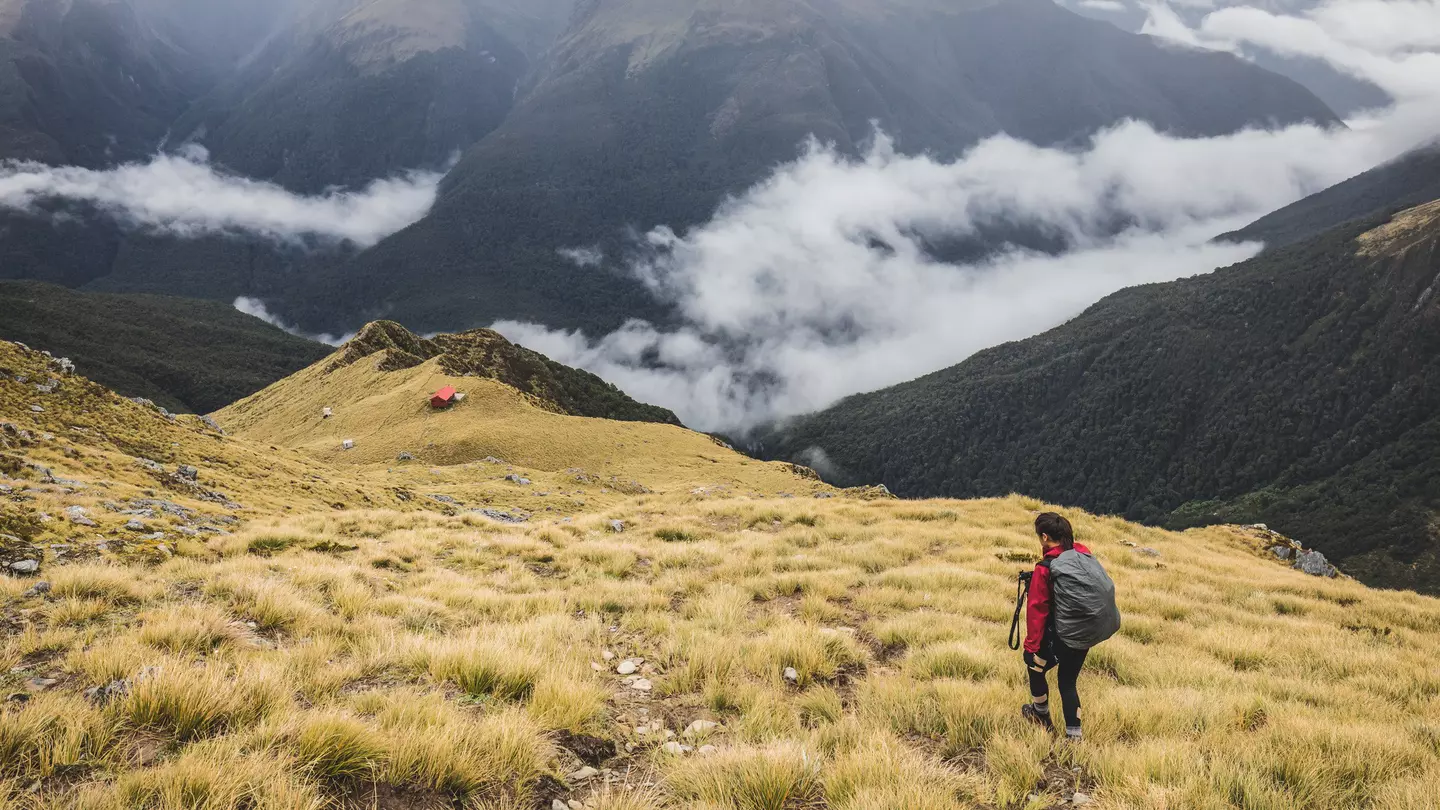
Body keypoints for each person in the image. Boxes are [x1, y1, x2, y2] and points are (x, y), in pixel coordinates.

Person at [1021, 512, 1090, 741]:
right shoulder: (1083, 554)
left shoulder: (1045, 568)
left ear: (1044, 537)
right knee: (1068, 682)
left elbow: (1037, 611)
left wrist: (1031, 647)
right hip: (1084, 633)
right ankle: (1074, 739)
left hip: (1061, 635)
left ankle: (1040, 714)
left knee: (1035, 666)